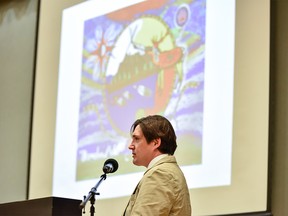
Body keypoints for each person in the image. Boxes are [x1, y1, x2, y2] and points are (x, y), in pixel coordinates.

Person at [123, 115, 192, 216]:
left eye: (136, 139)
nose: (130, 146)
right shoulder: (166, 171)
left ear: (155, 143)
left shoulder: (160, 174)